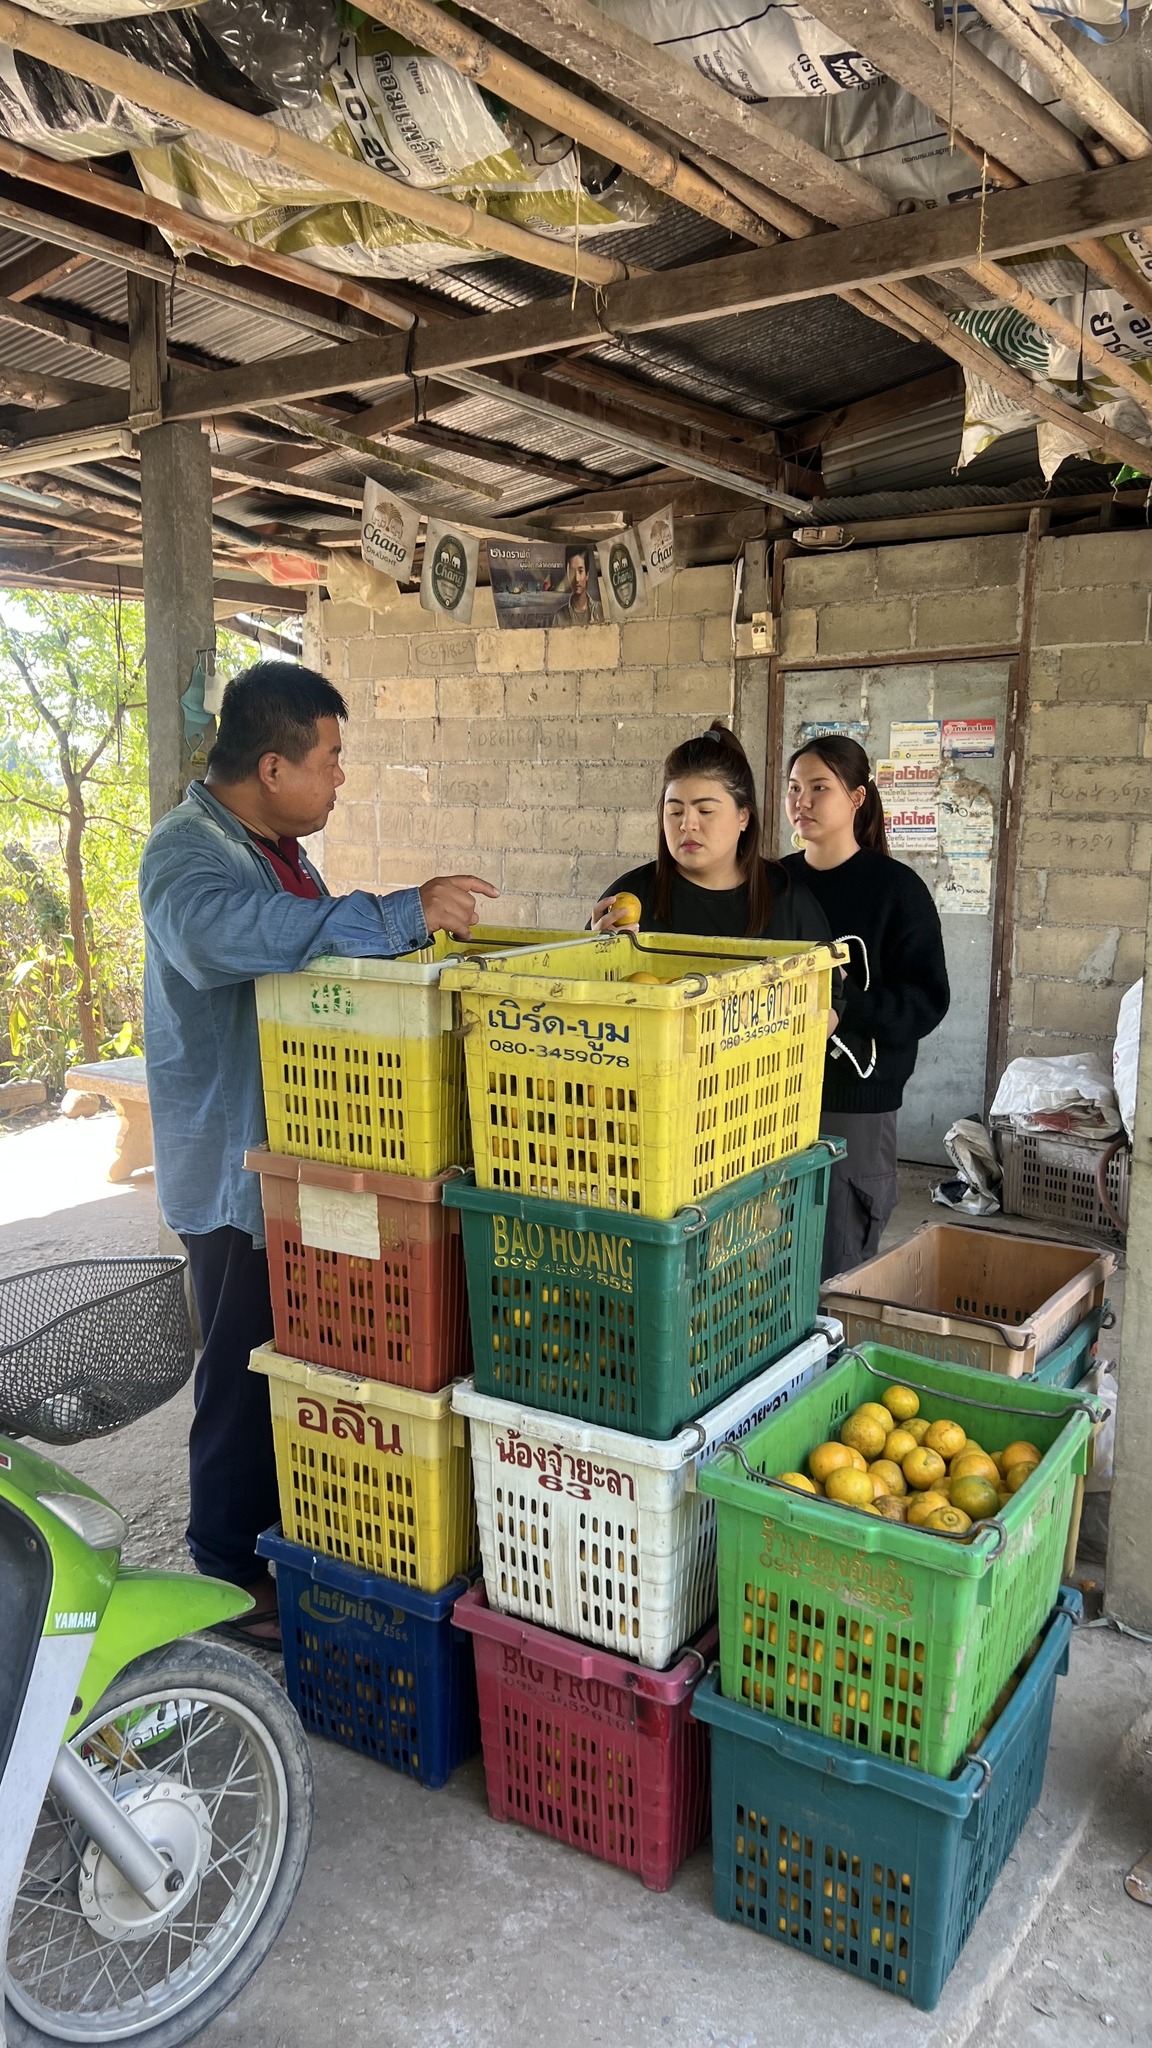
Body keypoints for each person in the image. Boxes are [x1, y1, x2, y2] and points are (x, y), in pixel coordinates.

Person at [139, 660, 497, 1646]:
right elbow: (230, 940)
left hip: (302, 1150)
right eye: (331, 759)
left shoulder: (282, 851)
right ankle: (225, 1567)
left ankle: (287, 1534)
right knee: (242, 1366)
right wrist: (401, 910)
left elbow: (317, 963)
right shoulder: (186, 855)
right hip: (234, 1167)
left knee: (298, 1359)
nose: (341, 777)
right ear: (272, 765)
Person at [782, 734, 950, 1281]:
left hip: (852, 1106)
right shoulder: (773, 883)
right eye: (793, 788)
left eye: (819, 788)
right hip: (769, 1097)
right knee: (768, 1260)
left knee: (834, 1268)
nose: (802, 801)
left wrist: (845, 1008)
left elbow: (926, 1000)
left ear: (856, 798)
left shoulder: (895, 890)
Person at [592, 722, 831, 943]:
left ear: (743, 816)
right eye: (675, 812)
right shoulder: (631, 895)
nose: (687, 824)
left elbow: (826, 976)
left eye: (705, 811)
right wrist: (593, 950)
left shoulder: (788, 901)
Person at [554, 542, 604, 627]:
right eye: (572, 572)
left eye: (580, 571)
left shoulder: (600, 610)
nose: (577, 579)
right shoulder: (560, 616)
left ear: (587, 575)